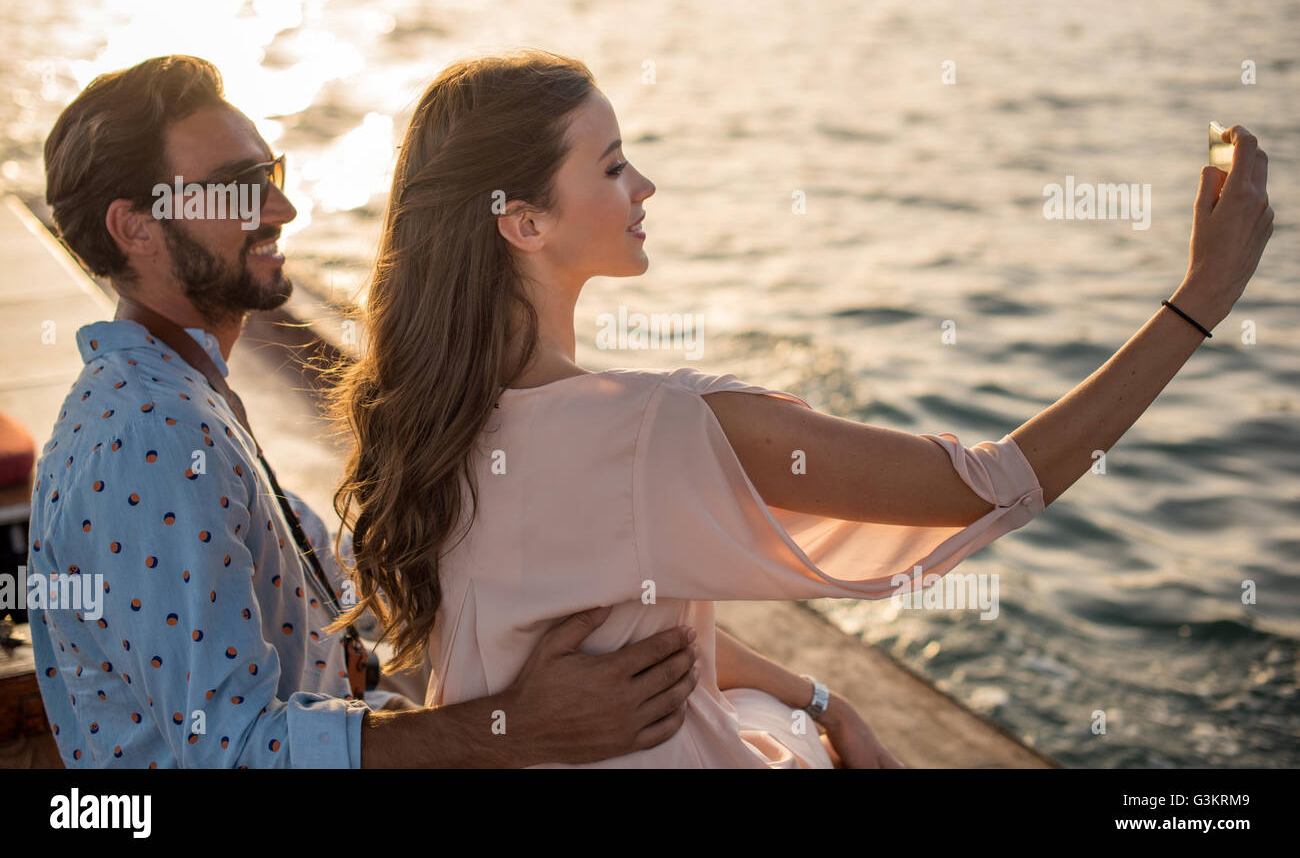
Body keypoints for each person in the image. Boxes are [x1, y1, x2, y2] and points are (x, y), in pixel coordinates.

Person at [329, 48, 1274, 767]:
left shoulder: (435, 417)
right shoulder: (652, 432)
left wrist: (822, 697)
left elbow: (632, 631)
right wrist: (1200, 300)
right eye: (614, 167)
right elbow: (994, 485)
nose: (645, 185)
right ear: (524, 222)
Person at [29, 54, 894, 768]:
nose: (282, 208)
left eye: (274, 176)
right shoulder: (148, 435)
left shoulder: (184, 390)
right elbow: (231, 751)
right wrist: (517, 723)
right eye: (238, 187)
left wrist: (816, 694)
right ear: (135, 229)